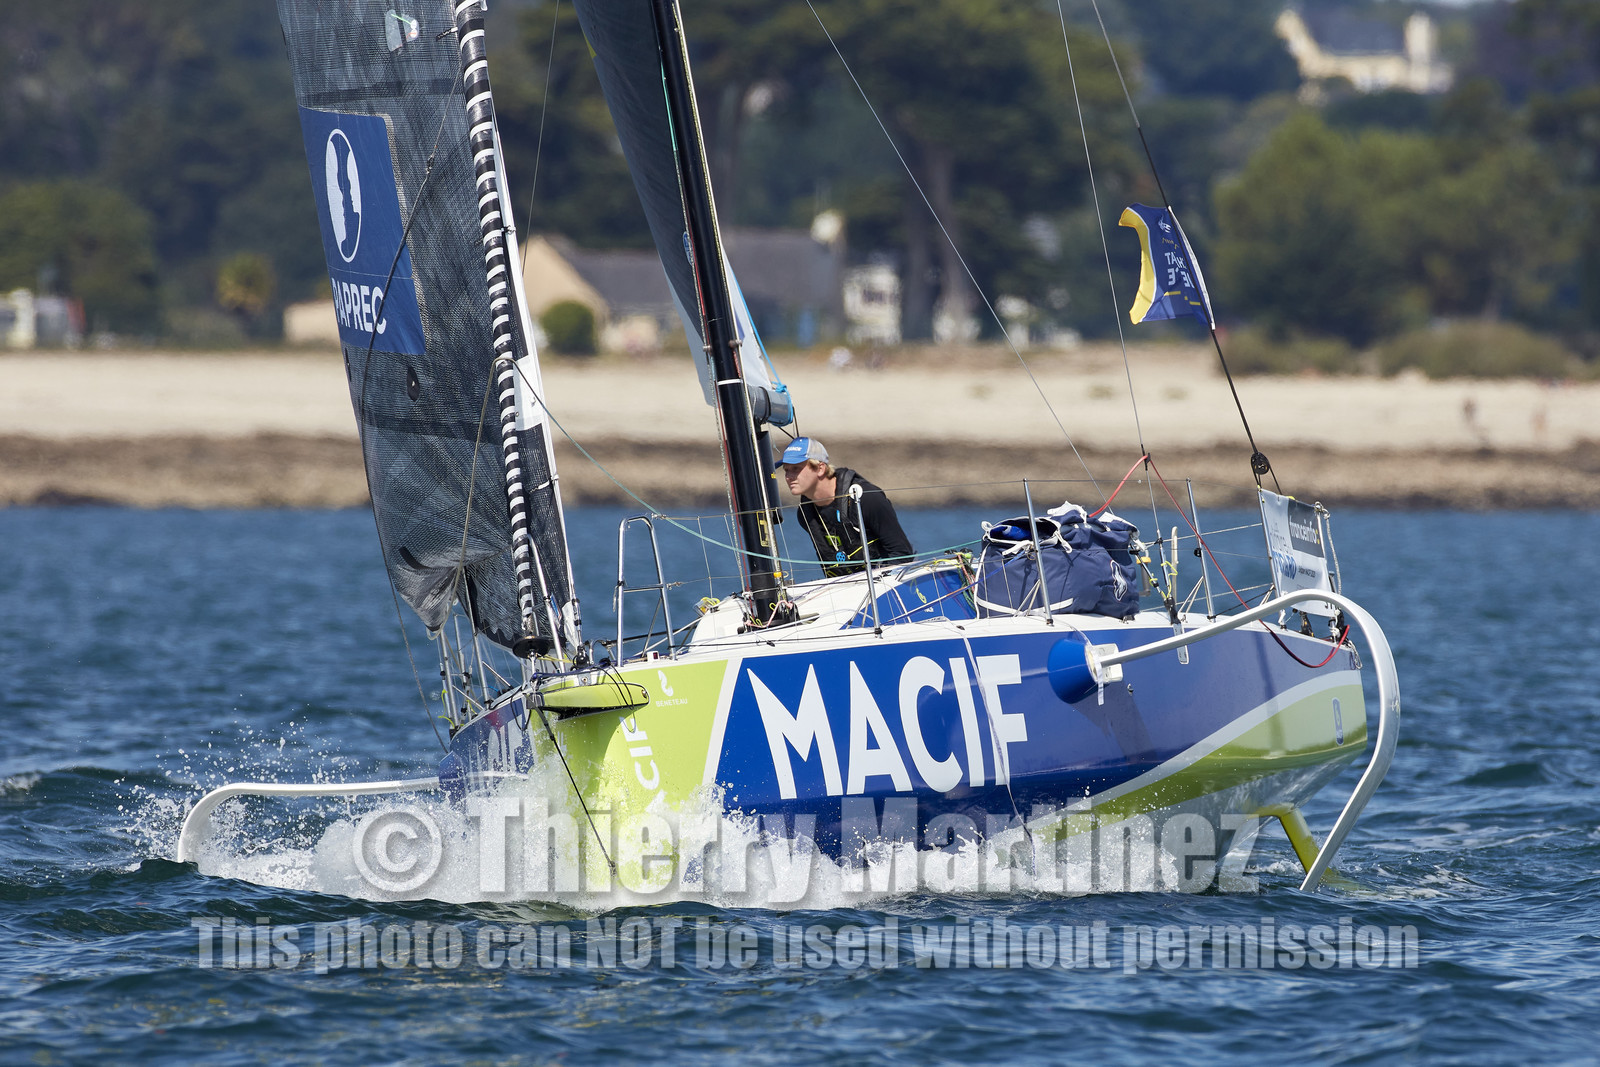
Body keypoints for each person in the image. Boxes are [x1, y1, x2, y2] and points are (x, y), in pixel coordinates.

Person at [779, 437, 914, 576]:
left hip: (883, 585)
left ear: (820, 468)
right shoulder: (805, 514)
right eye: (786, 470)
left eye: (796, 469)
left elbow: (903, 554)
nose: (789, 476)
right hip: (846, 588)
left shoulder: (866, 498)